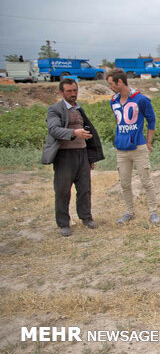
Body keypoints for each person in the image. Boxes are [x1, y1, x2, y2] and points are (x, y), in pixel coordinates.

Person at [41, 78, 105, 236]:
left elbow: (88, 132)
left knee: (85, 189)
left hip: (81, 154)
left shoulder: (78, 109)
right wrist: (74, 133)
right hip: (65, 155)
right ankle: (63, 223)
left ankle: (86, 217)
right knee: (63, 190)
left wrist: (90, 157)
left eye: (75, 90)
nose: (73, 94)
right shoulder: (55, 109)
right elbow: (54, 129)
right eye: (69, 91)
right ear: (61, 92)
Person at [105, 68, 160, 224]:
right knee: (124, 183)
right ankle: (130, 212)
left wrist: (148, 141)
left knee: (146, 181)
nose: (110, 87)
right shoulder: (113, 101)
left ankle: (153, 212)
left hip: (138, 147)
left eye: (111, 83)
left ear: (120, 82)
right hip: (121, 149)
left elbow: (151, 120)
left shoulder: (141, 100)